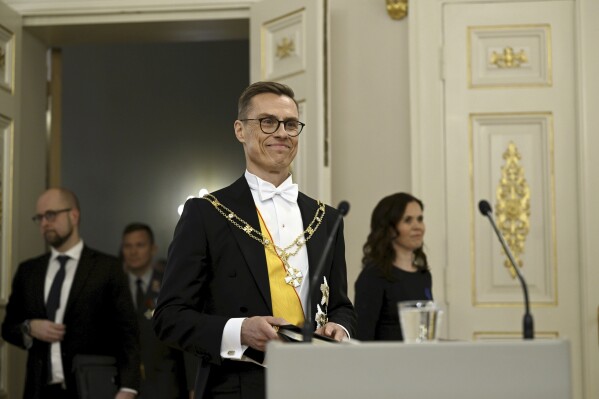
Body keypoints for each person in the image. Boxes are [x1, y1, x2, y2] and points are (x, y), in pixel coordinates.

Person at [153, 81, 356, 399]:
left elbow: (341, 305)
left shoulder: (326, 218)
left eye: (290, 124)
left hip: (319, 384)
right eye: (267, 122)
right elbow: (169, 317)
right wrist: (238, 331)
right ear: (240, 130)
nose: (282, 133)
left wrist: (339, 329)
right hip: (237, 386)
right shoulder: (206, 214)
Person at [1, 188, 140, 399]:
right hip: (40, 390)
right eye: (39, 218)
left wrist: (128, 388)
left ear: (74, 216)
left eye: (51, 215)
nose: (44, 223)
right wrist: (30, 328)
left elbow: (128, 333)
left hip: (92, 388)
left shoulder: (107, 268)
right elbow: (8, 327)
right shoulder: (28, 271)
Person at [121, 222, 198, 399]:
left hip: (165, 384)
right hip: (124, 385)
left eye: (140, 245)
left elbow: (186, 336)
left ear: (153, 248)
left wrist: (193, 385)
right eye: (128, 246)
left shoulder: (169, 284)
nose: (133, 252)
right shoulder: (115, 284)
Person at [354, 192, 433, 341]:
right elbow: (362, 337)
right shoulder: (373, 276)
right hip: (385, 362)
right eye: (408, 220)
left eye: (420, 219)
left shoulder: (424, 276)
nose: (418, 227)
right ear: (389, 229)